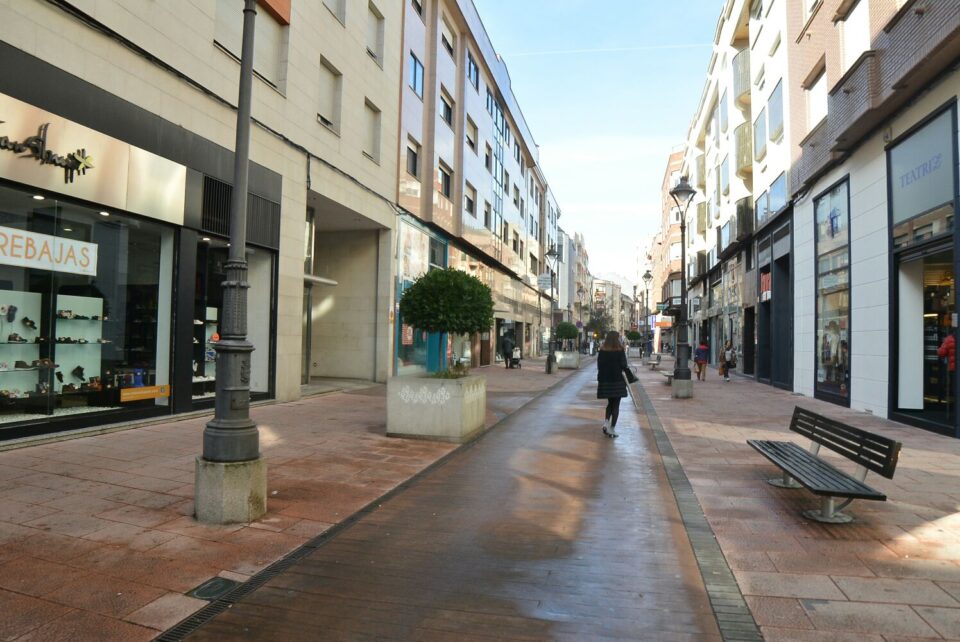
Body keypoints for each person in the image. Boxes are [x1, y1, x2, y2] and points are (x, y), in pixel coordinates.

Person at [596, 330, 633, 438]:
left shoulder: (602, 350)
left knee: (610, 403)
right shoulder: (620, 350)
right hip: (617, 381)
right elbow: (624, 365)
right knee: (616, 405)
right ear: (617, 339)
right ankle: (612, 428)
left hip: (605, 381)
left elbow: (599, 366)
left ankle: (606, 422)